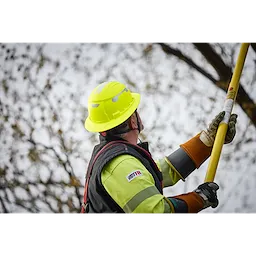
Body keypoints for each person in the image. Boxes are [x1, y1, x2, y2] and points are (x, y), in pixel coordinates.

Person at [80, 81, 237, 216]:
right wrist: (198, 199)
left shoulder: (118, 159)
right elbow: (154, 212)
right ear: (133, 120)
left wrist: (208, 141)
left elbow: (162, 171)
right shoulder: (120, 164)